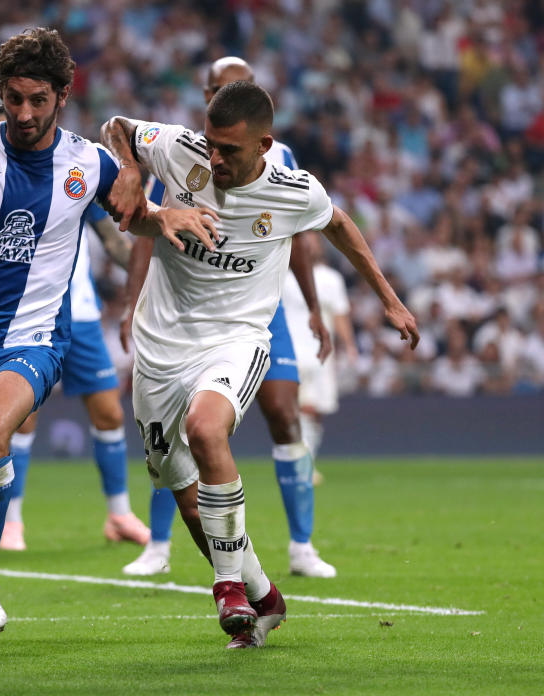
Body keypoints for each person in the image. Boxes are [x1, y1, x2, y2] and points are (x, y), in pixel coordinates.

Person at [0, 29, 205, 641]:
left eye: (38, 100)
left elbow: (132, 218)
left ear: (62, 96)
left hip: (31, 340)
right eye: (14, 99)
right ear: (0, 92)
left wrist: (165, 218)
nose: (24, 113)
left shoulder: (85, 162)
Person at [101, 79, 418, 646]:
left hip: (237, 339)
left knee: (206, 428)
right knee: (190, 504)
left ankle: (226, 586)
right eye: (211, 143)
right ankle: (263, 594)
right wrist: (129, 167)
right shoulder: (179, 149)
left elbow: (341, 226)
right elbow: (118, 127)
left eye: (229, 150)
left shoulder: (294, 191)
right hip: (159, 345)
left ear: (264, 145)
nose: (214, 158)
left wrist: (390, 300)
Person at [121, 56, 339, 579]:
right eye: (215, 90)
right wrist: (134, 302)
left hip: (259, 309)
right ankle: (161, 543)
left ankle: (302, 545)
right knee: (178, 436)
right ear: (206, 96)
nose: (221, 98)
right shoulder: (184, 152)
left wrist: (312, 307)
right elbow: (146, 222)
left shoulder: (282, 159)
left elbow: (306, 237)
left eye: (235, 89)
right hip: (181, 316)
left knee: (286, 417)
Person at [0, 201, 151, 552]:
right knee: (23, 419)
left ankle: (119, 515)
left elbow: (114, 243)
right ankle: (11, 520)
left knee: (110, 413)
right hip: (29, 318)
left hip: (81, 316)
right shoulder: (16, 185)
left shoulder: (79, 179)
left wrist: (150, 272)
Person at [281, 231, 358, 459]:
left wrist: (350, 345)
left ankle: (307, 456)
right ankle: (303, 459)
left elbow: (340, 315)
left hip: (322, 352)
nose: (308, 245)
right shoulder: (283, 278)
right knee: (301, 407)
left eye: (312, 240)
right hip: (292, 352)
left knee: (316, 410)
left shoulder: (331, 279)